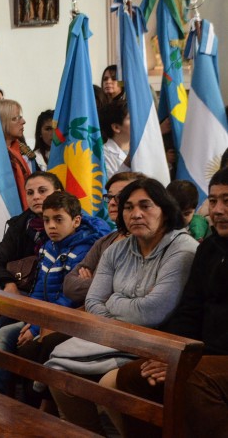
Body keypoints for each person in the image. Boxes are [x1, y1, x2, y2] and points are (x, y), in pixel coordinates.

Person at [48, 178, 197, 434]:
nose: (136, 214)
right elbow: (93, 302)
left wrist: (114, 299)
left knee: (109, 385)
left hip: (157, 344)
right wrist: (125, 307)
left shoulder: (182, 249)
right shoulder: (117, 249)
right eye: (128, 207)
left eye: (145, 206)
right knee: (59, 376)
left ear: (164, 209)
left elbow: (154, 311)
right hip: (114, 338)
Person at [112, 169, 228, 437]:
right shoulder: (209, 249)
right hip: (203, 353)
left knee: (192, 381)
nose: (218, 210)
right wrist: (169, 354)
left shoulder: (187, 246)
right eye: (212, 201)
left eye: (227, 200)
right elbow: (190, 309)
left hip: (214, 357)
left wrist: (188, 361)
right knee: (132, 375)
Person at [0, 192, 108, 396]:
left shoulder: (83, 250)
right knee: (4, 330)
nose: (51, 226)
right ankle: (0, 394)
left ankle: (26, 400)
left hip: (66, 318)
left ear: (76, 221)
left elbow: (70, 298)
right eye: (46, 220)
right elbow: (39, 288)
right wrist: (32, 319)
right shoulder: (50, 246)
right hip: (43, 315)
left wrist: (37, 326)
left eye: (58, 220)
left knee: (24, 343)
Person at [62, 171, 146, 306]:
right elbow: (69, 286)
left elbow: (134, 292)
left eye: (119, 197)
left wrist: (94, 280)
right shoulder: (104, 241)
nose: (112, 203)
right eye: (109, 197)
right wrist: (106, 285)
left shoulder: (145, 241)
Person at [0, 171, 63, 292]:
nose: (35, 197)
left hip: (56, 295)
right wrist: (8, 283)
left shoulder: (74, 225)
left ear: (58, 193)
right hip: (22, 289)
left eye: (42, 191)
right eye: (30, 193)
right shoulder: (19, 225)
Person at [0, 99, 41, 209]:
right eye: (15, 118)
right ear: (1, 123)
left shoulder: (24, 152)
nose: (23, 121)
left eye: (20, 117)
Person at [99, 99, 130, 180]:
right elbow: (112, 185)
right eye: (130, 118)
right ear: (116, 127)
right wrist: (127, 163)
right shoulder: (103, 154)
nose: (137, 122)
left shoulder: (144, 147)